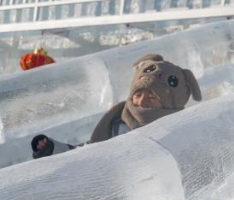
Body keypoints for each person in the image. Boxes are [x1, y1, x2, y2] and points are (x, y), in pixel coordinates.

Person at [31, 54, 201, 159]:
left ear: (170, 104)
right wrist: (53, 149)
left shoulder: (174, 133)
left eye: (151, 97)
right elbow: (86, 153)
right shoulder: (116, 124)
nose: (141, 101)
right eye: (138, 95)